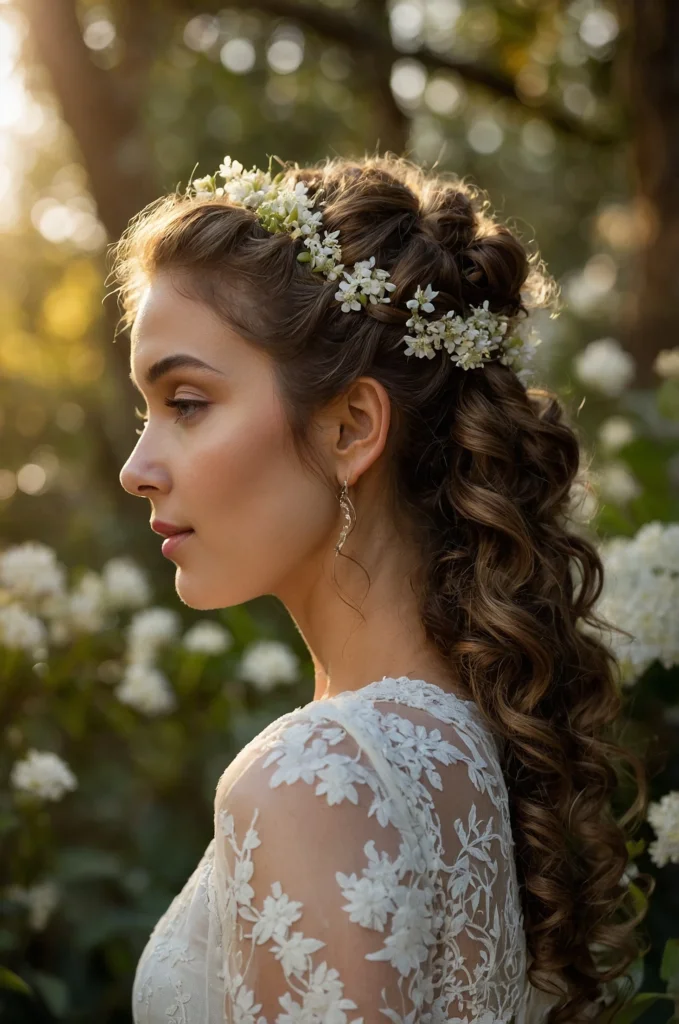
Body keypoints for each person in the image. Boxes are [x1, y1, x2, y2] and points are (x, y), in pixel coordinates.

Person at [113, 154, 652, 1024]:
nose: (137, 469)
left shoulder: (315, 779)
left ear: (351, 427)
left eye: (185, 401)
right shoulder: (476, 752)